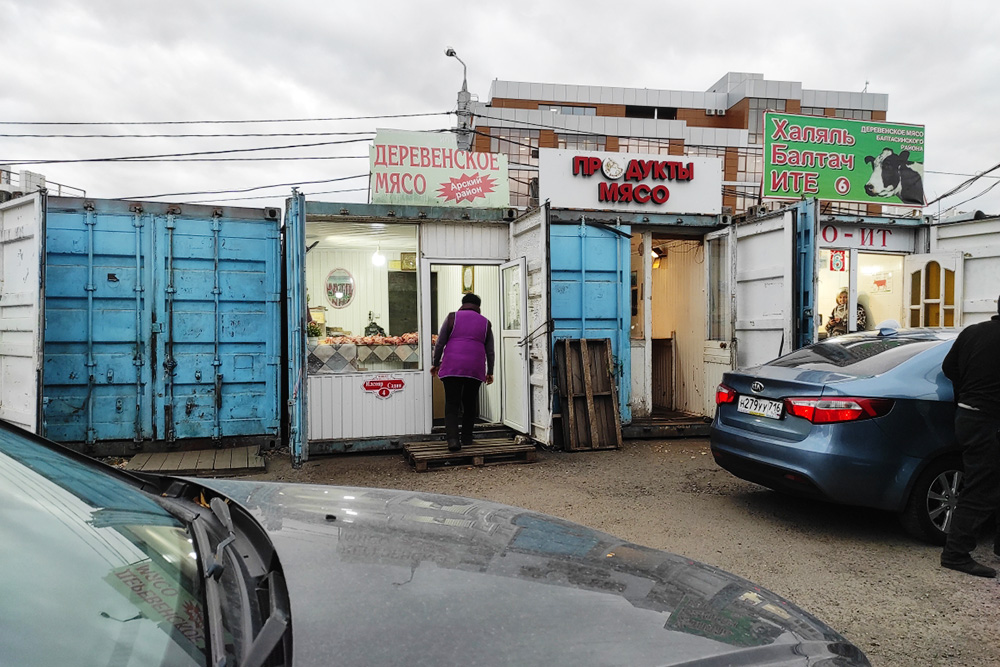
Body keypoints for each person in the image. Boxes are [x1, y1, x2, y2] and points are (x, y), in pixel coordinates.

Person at [939, 298, 1000, 578]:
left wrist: (968, 391)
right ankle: (956, 554)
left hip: (967, 415)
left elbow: (949, 368)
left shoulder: (972, 332)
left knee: (988, 481)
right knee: (981, 488)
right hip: (988, 421)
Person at [431, 293, 495, 452]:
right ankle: (467, 438)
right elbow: (490, 351)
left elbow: (440, 343)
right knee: (470, 403)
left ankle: (453, 440)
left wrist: (435, 363)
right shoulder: (486, 323)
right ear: (478, 307)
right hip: (475, 368)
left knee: (452, 404)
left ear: (463, 304)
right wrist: (490, 371)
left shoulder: (452, 317)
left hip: (452, 366)